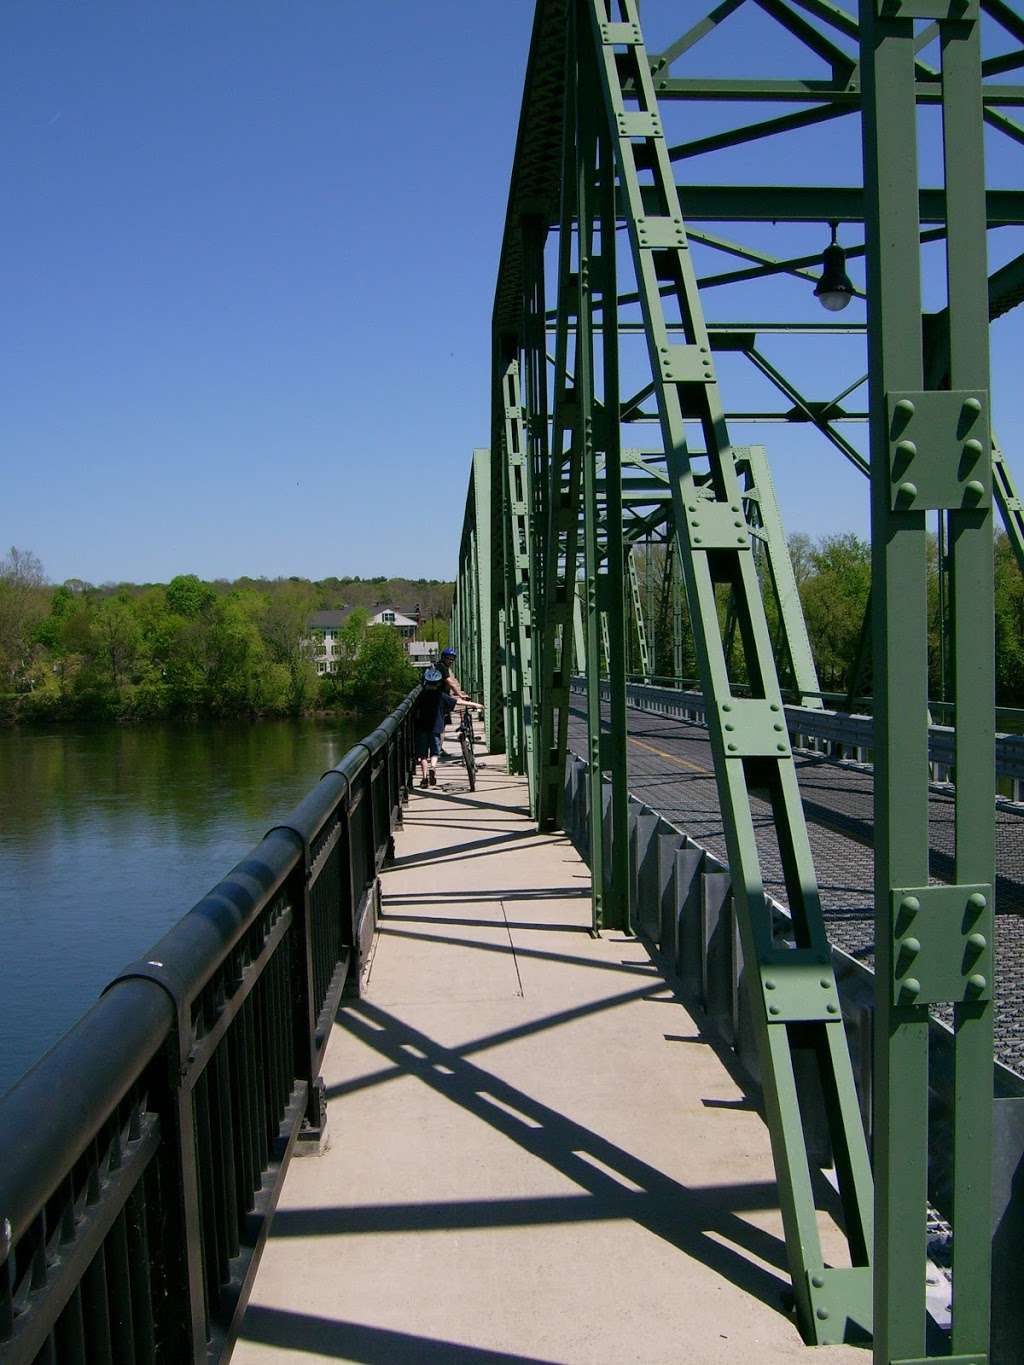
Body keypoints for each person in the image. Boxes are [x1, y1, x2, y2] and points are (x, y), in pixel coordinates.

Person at [411, 666, 456, 787]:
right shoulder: (441, 695)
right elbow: (456, 702)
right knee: (435, 753)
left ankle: (424, 777)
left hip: (422, 728)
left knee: (423, 755)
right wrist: (475, 704)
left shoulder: (421, 696)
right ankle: (433, 767)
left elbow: (413, 710)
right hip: (436, 728)